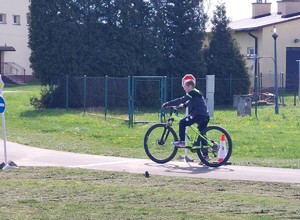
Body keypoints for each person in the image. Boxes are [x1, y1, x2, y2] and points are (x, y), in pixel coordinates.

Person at [162, 79, 210, 151]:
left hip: (198, 114)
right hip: (205, 115)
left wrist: (168, 103)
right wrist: (181, 106)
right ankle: (206, 156)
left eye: (185, 87)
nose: (184, 89)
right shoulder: (196, 93)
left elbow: (182, 99)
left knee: (182, 122)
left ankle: (182, 142)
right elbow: (189, 102)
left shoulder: (192, 92)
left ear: (190, 86)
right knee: (202, 134)